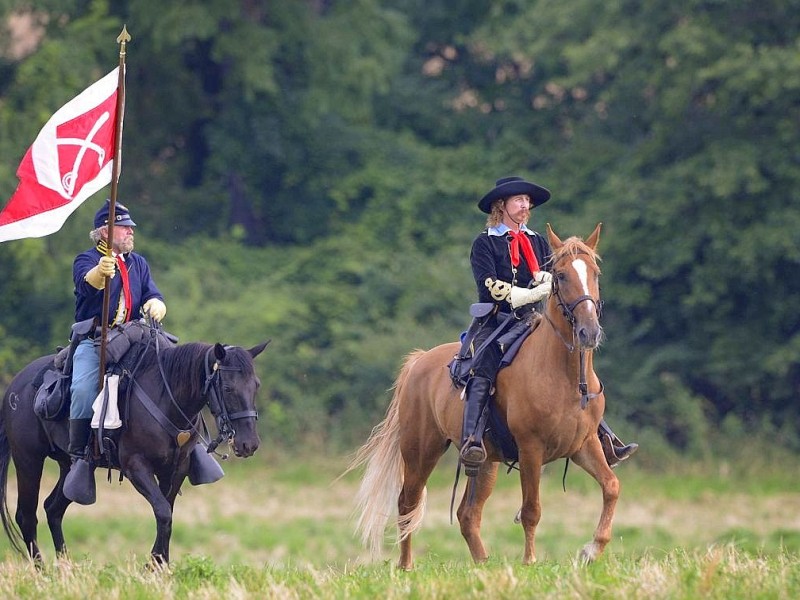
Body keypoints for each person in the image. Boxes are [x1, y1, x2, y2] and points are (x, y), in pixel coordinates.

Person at [459, 176, 639, 476]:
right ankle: (472, 439)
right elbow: (489, 285)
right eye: (519, 200)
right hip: (497, 319)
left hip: (532, 319)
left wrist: (547, 282)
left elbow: (549, 274)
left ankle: (601, 434)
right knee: (484, 362)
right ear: (501, 205)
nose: (525, 206)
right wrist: (527, 294)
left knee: (574, 359)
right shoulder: (485, 242)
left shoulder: (536, 241)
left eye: (527, 201)